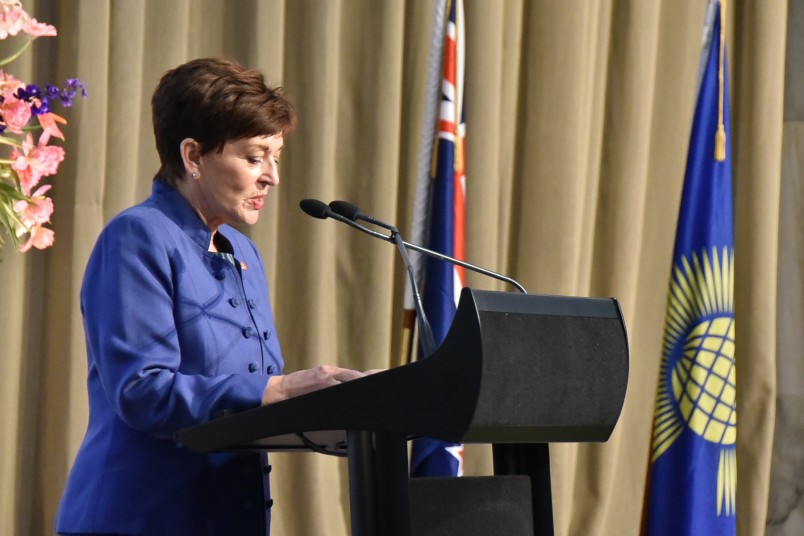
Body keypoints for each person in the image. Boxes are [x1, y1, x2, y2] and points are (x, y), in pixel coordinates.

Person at [55, 57, 366, 536]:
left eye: (275, 158)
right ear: (193, 156)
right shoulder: (137, 236)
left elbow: (253, 392)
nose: (272, 178)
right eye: (254, 156)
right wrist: (280, 389)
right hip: (144, 516)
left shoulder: (242, 250)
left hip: (227, 515)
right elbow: (143, 391)